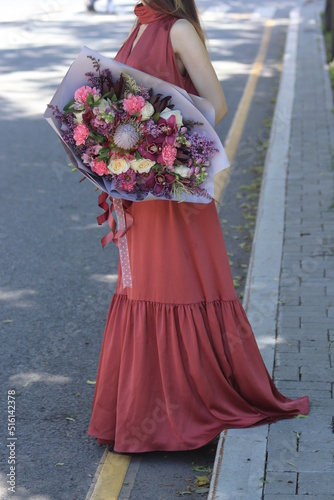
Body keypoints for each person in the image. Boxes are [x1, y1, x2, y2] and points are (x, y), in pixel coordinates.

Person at [88, 0, 309, 453]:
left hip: (169, 189)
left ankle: (176, 415)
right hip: (138, 190)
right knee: (141, 288)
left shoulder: (177, 29)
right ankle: (138, 414)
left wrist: (154, 139)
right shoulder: (139, 25)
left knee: (171, 287)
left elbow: (217, 104)